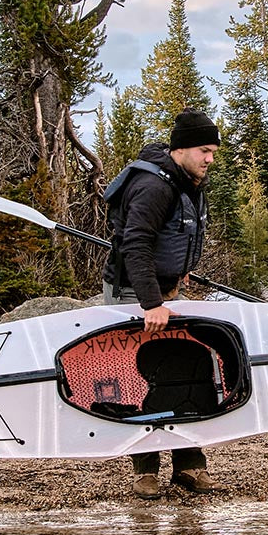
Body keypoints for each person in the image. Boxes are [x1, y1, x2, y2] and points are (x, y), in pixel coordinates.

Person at [102, 108, 222, 500]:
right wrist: (150, 302)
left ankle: (189, 465)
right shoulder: (154, 186)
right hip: (134, 294)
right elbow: (135, 244)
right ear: (181, 149)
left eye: (213, 152)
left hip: (165, 290)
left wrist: (179, 270)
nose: (210, 159)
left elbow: (173, 235)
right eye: (204, 150)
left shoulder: (186, 180)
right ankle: (145, 472)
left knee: (185, 369)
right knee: (142, 377)